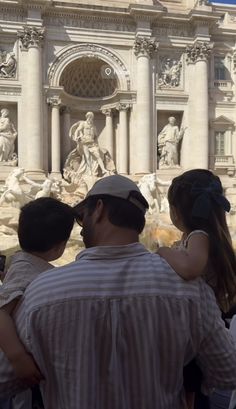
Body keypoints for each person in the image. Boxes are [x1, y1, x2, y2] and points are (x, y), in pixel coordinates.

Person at [0, 175, 236, 409]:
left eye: (83, 218)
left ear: (99, 209)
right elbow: (227, 372)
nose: (81, 230)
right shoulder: (189, 289)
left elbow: (4, 380)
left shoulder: (41, 293)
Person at [157, 169, 236, 408]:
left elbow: (191, 268)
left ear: (177, 212)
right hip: (205, 320)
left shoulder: (198, 235)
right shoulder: (208, 236)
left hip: (197, 324)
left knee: (188, 385)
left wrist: (164, 252)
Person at [0, 197, 75, 409]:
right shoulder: (25, 269)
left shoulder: (25, 265)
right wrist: (18, 358)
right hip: (9, 371)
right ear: (60, 247)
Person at [63, 111, 115, 181]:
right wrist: (76, 137)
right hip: (85, 143)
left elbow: (95, 136)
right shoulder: (83, 124)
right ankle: (89, 172)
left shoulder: (93, 126)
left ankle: (103, 169)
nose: (90, 118)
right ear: (87, 117)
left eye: (91, 117)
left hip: (92, 143)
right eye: (89, 116)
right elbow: (78, 130)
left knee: (98, 156)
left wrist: (96, 144)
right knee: (87, 158)